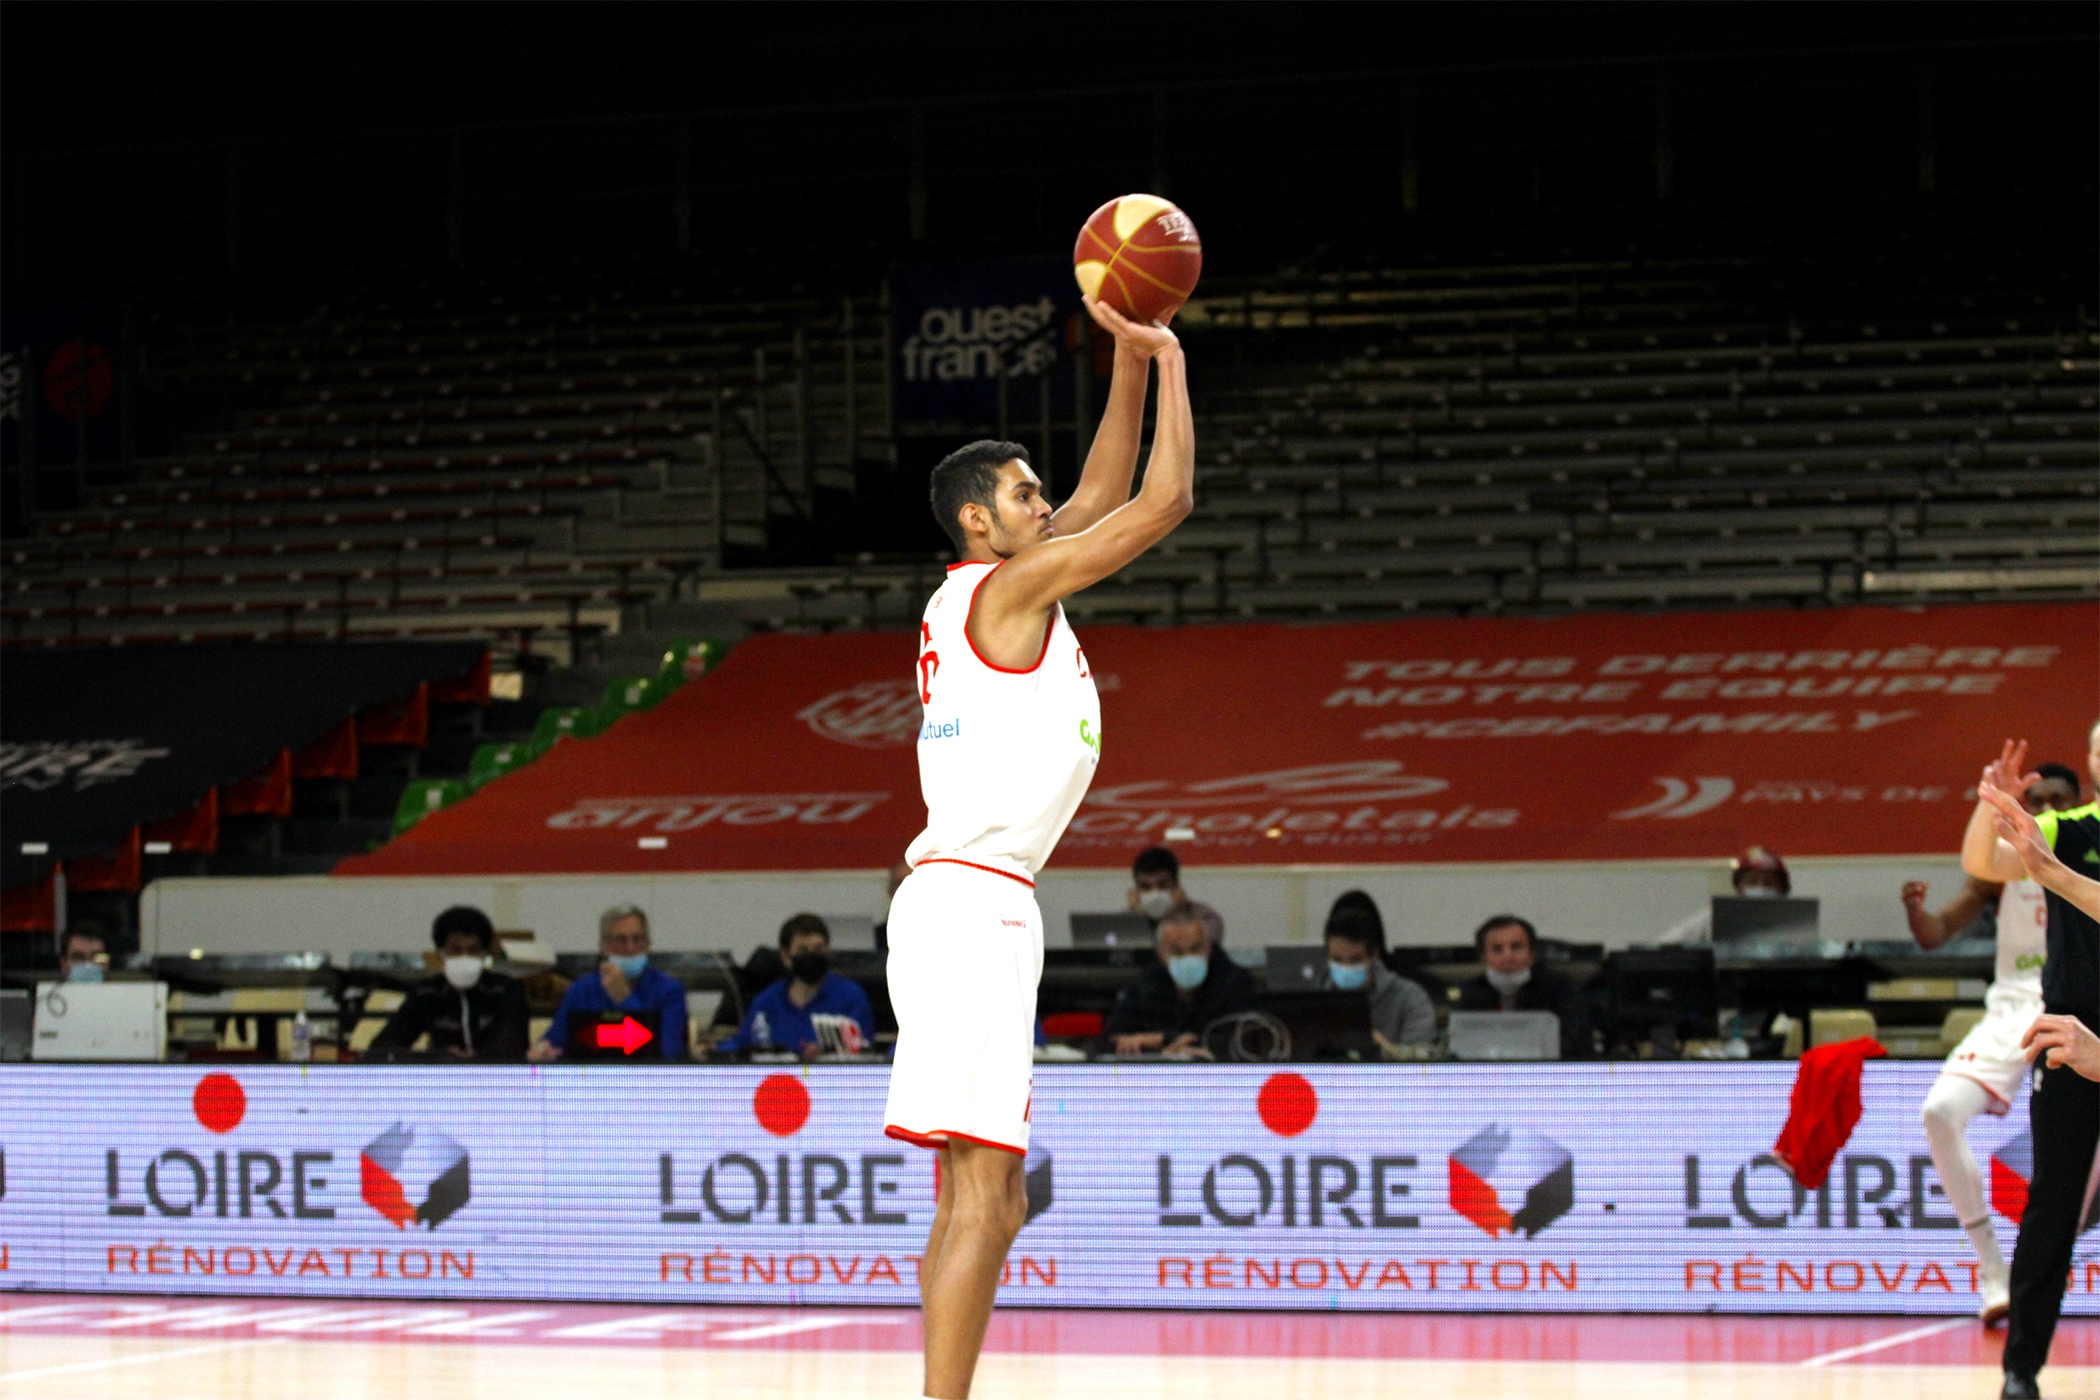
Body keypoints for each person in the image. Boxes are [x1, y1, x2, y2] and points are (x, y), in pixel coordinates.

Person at [881, 291, 1191, 1400]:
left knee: (982, 1194)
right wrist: (1170, 359)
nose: (1047, 502)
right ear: (979, 519)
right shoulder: (1010, 589)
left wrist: (1122, 355)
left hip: (969, 899)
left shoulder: (991, 588)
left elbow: (1105, 488)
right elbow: (1163, 500)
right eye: (1025, 492)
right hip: (973, 902)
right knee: (985, 1194)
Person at [1909, 764, 2085, 1327]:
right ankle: (1993, 1272)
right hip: (2011, 1008)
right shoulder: (2006, 863)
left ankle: (2047, 1278)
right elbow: (1937, 930)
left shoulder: (2085, 847)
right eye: (2039, 799)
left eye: (2060, 799)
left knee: (2068, 1176)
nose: (2049, 808)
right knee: (1939, 1112)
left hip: (2076, 1008)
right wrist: (1917, 911)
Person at [1962, 730, 2100, 1400]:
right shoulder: (2068, 828)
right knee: (2051, 1202)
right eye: (2099, 749)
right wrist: (1988, 808)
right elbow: (1985, 863)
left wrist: (2053, 876)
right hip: (2071, 1032)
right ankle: (2021, 1369)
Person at [367, 906, 530, 1061]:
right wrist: (437, 1058)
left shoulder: (505, 990)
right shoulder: (427, 993)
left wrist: (474, 1060)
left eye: (472, 950)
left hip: (496, 1081)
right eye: (455, 950)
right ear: (441, 953)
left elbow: (513, 1046)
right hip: (443, 1078)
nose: (464, 957)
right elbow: (383, 1048)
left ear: (484, 953)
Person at [528, 904, 687, 1062]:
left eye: (637, 939)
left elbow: (667, 1055)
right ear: (603, 947)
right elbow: (553, 1041)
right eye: (620, 940)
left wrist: (625, 999)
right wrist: (542, 1050)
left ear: (648, 944)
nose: (630, 947)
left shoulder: (670, 990)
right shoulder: (582, 990)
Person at [1103, 902, 1258, 1055]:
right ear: (1161, 955)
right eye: (1177, 951)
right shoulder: (1147, 983)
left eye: (1195, 949)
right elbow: (1110, 1039)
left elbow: (1241, 1043)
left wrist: (1162, 1039)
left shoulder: (1234, 981)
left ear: (1209, 948)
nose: (1187, 958)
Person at [717, 914, 876, 1058]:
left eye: (818, 949)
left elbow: (863, 1050)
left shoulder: (850, 997)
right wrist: (712, 1050)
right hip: (778, 1084)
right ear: (786, 957)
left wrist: (826, 1054)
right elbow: (741, 1043)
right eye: (803, 950)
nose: (811, 955)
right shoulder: (768, 1001)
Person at [1453, 914, 1590, 1059]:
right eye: (1497, 949)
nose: (1508, 957)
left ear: (1532, 954)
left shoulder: (1560, 987)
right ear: (1484, 957)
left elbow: (1579, 1044)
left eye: (1516, 947)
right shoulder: (1470, 993)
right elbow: (1459, 1049)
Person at [1318, 894, 1434, 1050]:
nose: (1345, 968)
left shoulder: (1411, 999)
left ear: (1374, 956)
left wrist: (1383, 1049)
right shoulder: (1310, 998)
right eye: (1337, 960)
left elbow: (1421, 1062)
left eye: (1355, 960)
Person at [1655, 845, 1791, 944]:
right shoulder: (1716, 918)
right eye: (1752, 881)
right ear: (1739, 888)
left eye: (1768, 882)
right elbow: (1665, 944)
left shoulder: (1799, 921)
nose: (1760, 887)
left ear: (1782, 889)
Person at [1127, 845, 1226, 945]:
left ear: (1177, 886)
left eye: (1163, 885)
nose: (1155, 894)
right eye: (1146, 887)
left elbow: (1200, 947)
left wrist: (1175, 913)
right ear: (1135, 892)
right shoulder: (1123, 923)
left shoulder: (1206, 917)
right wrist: (1138, 919)